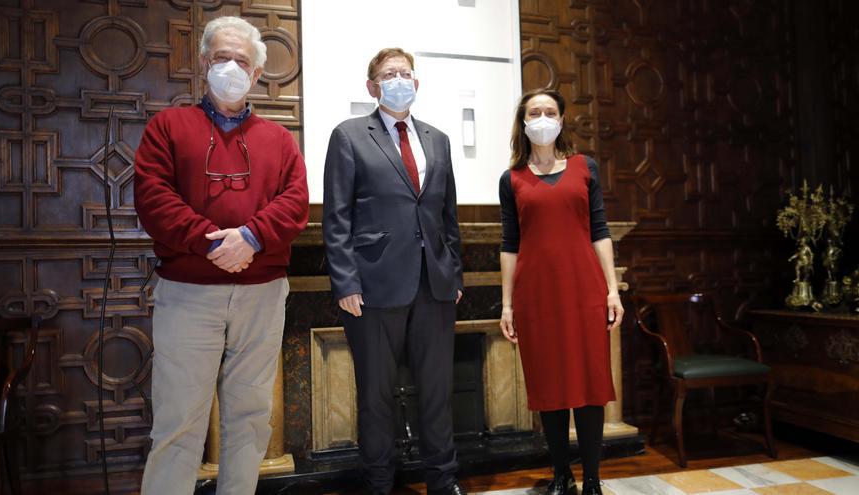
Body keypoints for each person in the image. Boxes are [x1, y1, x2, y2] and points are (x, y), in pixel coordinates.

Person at [133, 16, 309, 495]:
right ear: (204, 64)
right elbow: (153, 197)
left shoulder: (279, 140)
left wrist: (250, 237)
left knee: (250, 419)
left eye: (242, 62)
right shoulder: (167, 127)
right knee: (178, 421)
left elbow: (295, 202)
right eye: (222, 58)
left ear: (255, 76)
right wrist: (214, 242)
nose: (231, 67)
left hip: (262, 294)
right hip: (188, 293)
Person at [322, 47, 464, 495]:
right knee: (377, 397)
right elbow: (336, 217)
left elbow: (447, 215)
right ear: (372, 86)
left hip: (434, 286)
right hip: (372, 286)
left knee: (438, 393)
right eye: (389, 74)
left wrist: (454, 273)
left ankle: (444, 482)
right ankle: (379, 485)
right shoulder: (348, 136)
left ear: (416, 83)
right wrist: (345, 281)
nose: (399, 79)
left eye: (405, 73)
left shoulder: (437, 139)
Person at [498, 88, 623, 495]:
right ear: (523, 120)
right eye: (534, 112)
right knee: (549, 387)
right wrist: (507, 305)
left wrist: (612, 290)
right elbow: (510, 243)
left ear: (562, 119)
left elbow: (600, 231)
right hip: (535, 296)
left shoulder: (586, 168)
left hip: (584, 289)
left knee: (589, 384)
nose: (543, 118)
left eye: (550, 111)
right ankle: (561, 475)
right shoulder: (511, 179)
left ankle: (591, 479)